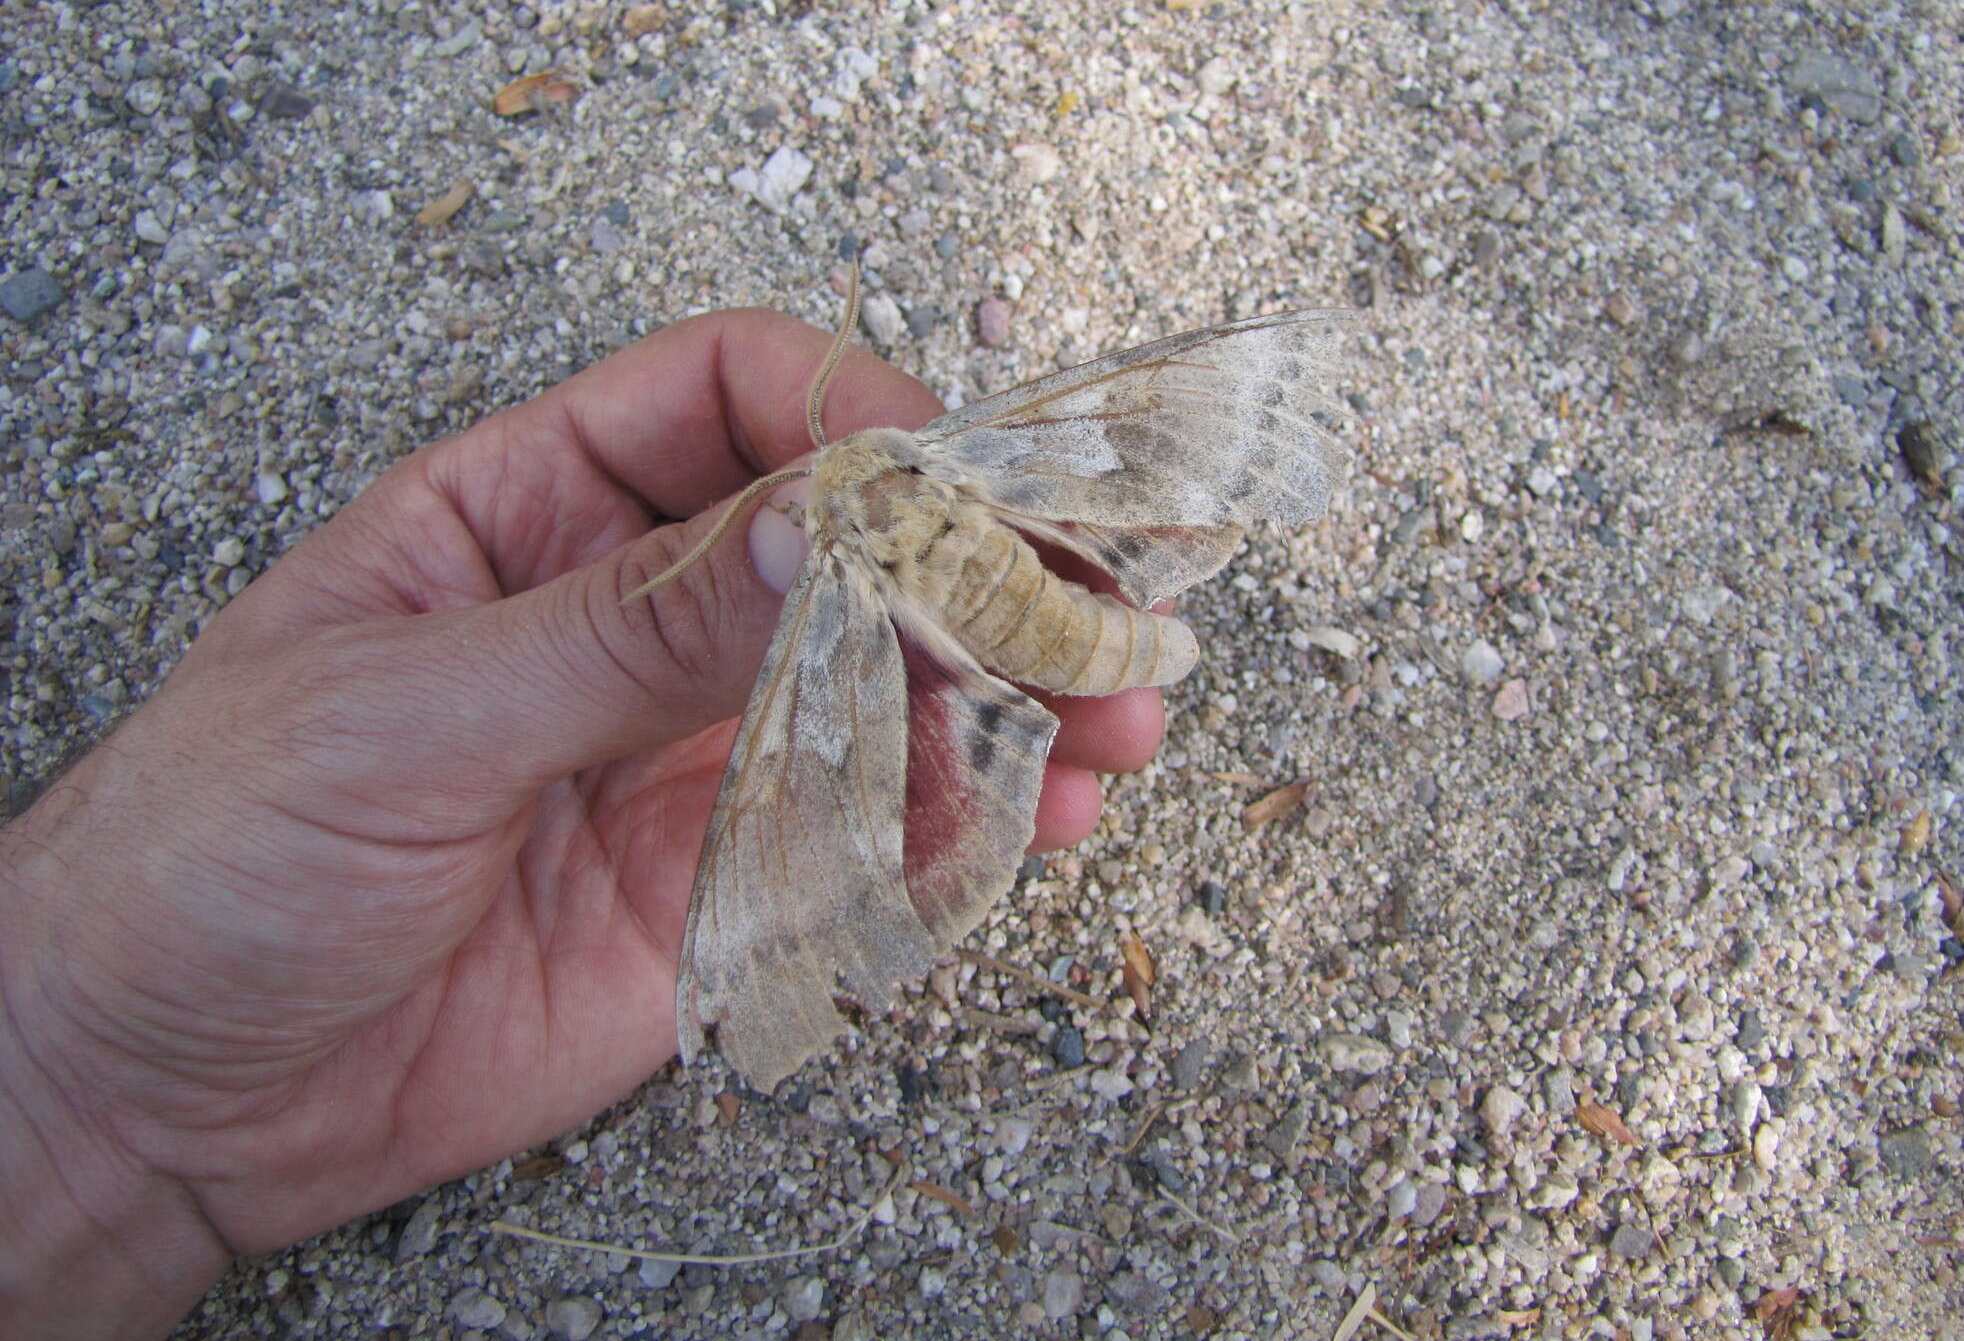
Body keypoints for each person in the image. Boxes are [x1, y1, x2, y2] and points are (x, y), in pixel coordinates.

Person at [0, 308, 1166, 1339]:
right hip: (1064, 622)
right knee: (1021, 741)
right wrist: (71, 1088)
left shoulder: (838, 579)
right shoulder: (847, 546)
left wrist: (65, 1088)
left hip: (1034, 622)